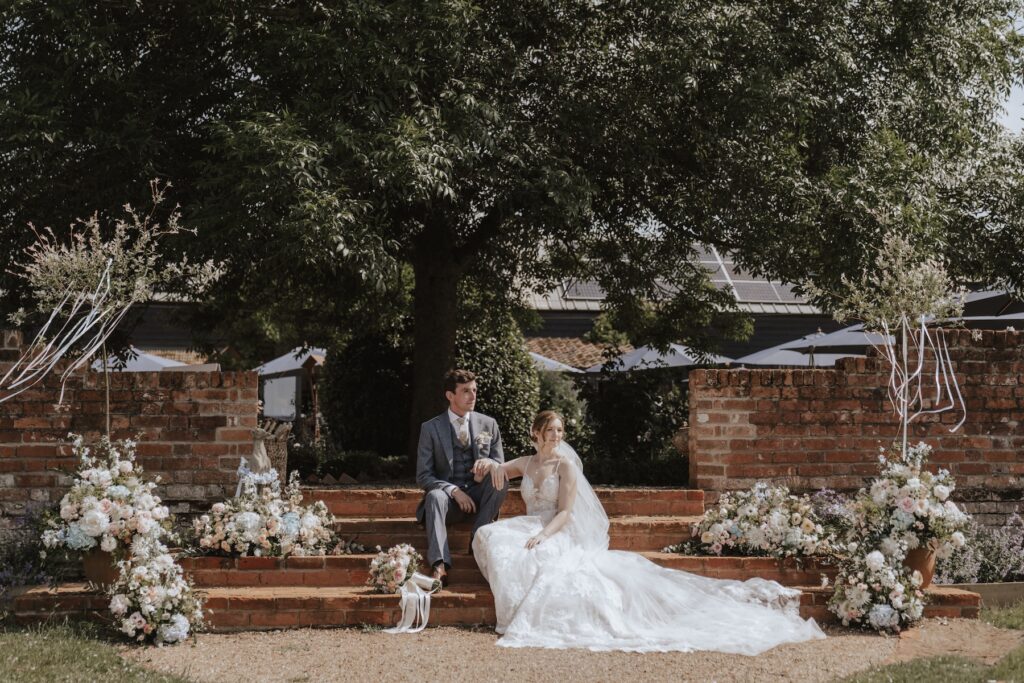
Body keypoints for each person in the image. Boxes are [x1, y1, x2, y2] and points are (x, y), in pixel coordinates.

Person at [471, 410, 826, 654]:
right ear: (536, 433)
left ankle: (520, 613)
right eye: (551, 431)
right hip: (533, 523)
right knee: (491, 536)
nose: (557, 437)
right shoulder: (527, 462)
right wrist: (488, 463)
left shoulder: (566, 466)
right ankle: (513, 606)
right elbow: (499, 468)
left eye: (561, 431)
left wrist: (545, 535)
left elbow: (564, 512)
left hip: (556, 529)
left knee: (537, 554)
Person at [416, 369, 509, 587]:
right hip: (448, 503)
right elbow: (423, 475)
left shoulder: (489, 424)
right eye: (466, 391)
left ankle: (477, 537)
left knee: (500, 479)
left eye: (474, 390)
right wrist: (453, 491)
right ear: (450, 395)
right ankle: (440, 565)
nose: (473, 395)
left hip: (478, 496)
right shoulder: (430, 428)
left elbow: (501, 465)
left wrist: (490, 466)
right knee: (435, 496)